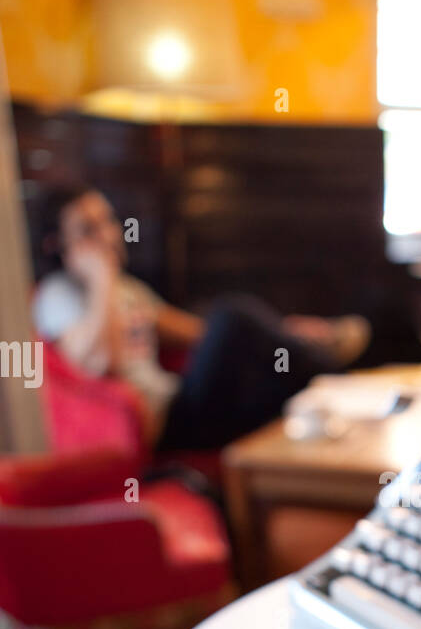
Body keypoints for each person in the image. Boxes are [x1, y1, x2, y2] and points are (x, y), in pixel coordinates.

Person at [31, 185, 371, 451]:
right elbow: (100, 362)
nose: (107, 235)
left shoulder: (127, 290)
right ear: (55, 245)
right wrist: (101, 277)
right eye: (88, 230)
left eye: (107, 221)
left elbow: (199, 334)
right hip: (164, 426)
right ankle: (342, 378)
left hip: (187, 403)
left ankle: (342, 391)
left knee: (271, 385)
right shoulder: (55, 295)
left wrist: (284, 335)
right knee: (230, 315)